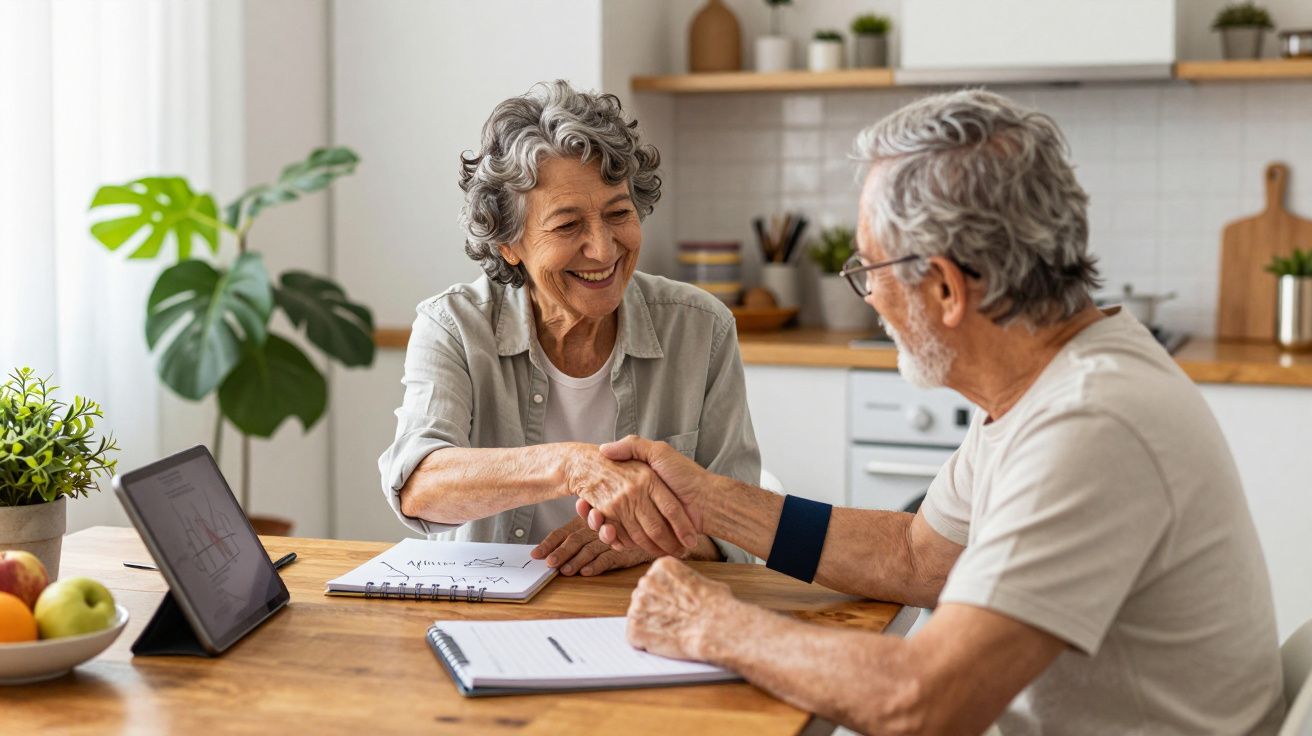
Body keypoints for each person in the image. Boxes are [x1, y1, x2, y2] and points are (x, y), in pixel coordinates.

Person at [578, 90, 1285, 734]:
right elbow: (918, 556)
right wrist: (708, 503)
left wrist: (711, 625)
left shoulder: (1091, 425)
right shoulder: (1051, 379)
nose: (870, 299)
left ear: (945, 288)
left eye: (870, 271)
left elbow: (924, 701)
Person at [377, 80, 758, 577]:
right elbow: (419, 485)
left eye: (619, 214)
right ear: (508, 244)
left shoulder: (700, 329)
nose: (602, 250)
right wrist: (572, 467)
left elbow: (744, 524)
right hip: (489, 620)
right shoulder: (453, 327)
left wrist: (653, 540)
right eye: (567, 226)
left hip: (645, 617)